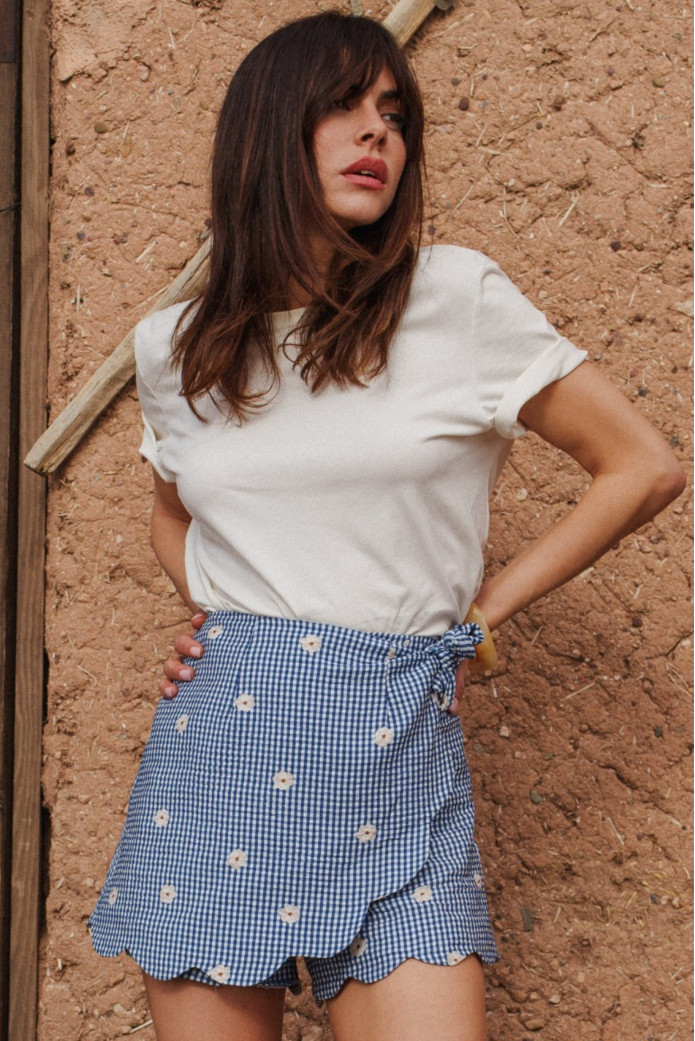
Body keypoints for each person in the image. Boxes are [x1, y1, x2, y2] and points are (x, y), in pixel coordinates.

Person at [88, 12, 685, 1041]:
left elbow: (641, 467)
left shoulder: (452, 297)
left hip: (398, 747)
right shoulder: (176, 347)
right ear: (267, 129)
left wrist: (481, 616)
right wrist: (224, 616)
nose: (377, 133)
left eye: (394, 114)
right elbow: (172, 510)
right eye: (342, 106)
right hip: (220, 754)